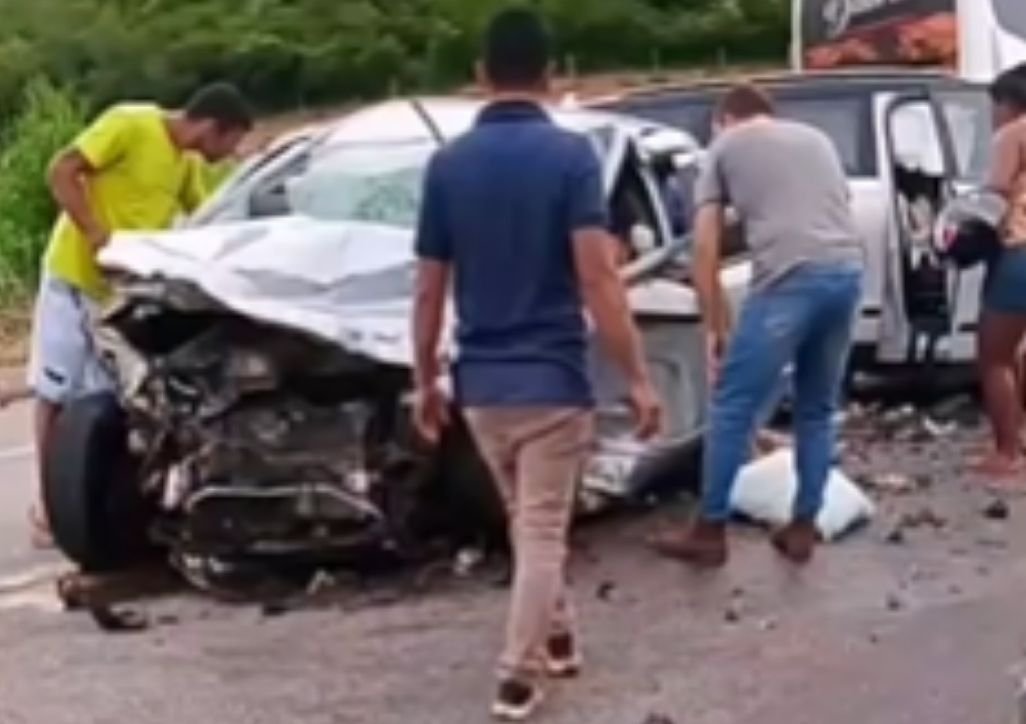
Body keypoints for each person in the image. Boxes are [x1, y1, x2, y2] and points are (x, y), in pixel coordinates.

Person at [412, 8, 661, 720]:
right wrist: (637, 377)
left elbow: (429, 286)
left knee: (528, 521)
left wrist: (424, 378)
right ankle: (517, 675)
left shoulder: (448, 165)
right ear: (551, 75)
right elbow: (598, 276)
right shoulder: (571, 158)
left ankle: (559, 638)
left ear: (482, 75)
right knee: (544, 529)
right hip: (553, 378)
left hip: (482, 386)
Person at [28, 82, 253, 546]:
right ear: (212, 127)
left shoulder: (186, 163)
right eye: (231, 143)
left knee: (111, 399)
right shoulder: (130, 123)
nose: (229, 155)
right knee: (56, 391)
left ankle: (99, 507)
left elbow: (206, 221)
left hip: (121, 293)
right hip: (75, 278)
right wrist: (96, 234)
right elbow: (62, 170)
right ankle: (51, 507)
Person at [651, 83, 864, 567]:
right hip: (847, 272)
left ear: (723, 120)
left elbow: (704, 247)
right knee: (816, 407)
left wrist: (714, 326)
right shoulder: (816, 139)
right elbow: (823, 209)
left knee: (731, 407)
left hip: (789, 279)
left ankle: (709, 531)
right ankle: (803, 527)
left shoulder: (724, 146)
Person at [973, 62, 1026, 480]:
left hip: (1020, 250)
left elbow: (996, 195)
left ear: (1009, 103)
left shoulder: (1012, 135)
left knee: (995, 356)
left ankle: (1007, 453)